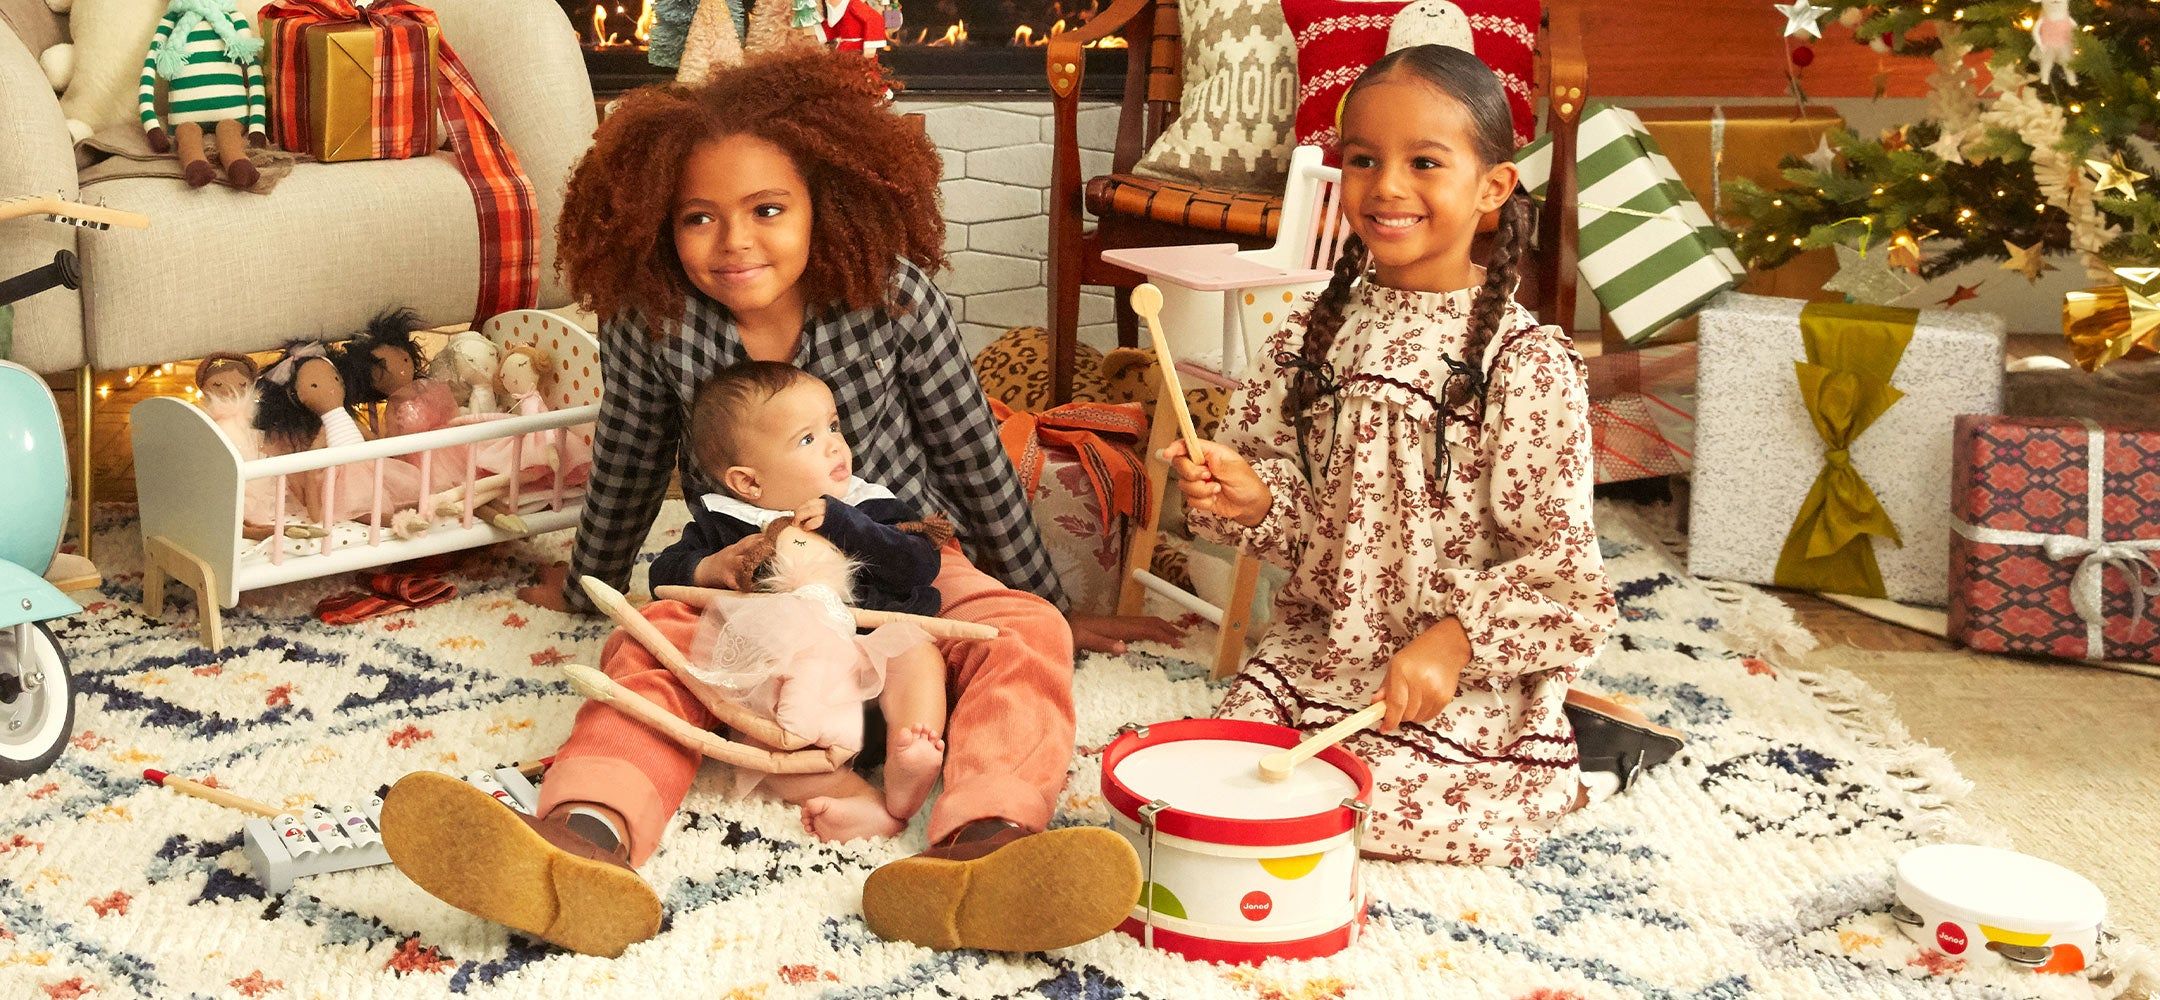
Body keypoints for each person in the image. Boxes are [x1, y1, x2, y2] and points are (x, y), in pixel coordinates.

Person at [377, 48, 1164, 959]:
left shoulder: (895, 297)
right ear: (656, 224)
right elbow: (631, 458)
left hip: (901, 552)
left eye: (767, 211)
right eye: (698, 219)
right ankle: (583, 835)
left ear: (825, 204)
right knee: (649, 647)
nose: (734, 242)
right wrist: (590, 578)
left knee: (1025, 633)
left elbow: (970, 453)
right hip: (753, 572)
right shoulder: (649, 317)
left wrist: (1049, 598)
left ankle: (987, 841)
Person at [1164, 45, 1685, 866]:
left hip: (1461, 661)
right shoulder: (1309, 337)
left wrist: (1454, 641)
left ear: (1493, 188)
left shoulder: (1525, 363)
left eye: (1425, 162)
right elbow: (1310, 530)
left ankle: (1593, 750)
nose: (1388, 187)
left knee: (1389, 814)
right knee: (1239, 780)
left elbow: (1565, 572)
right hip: (1330, 645)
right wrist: (1250, 497)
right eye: (1364, 160)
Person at [650, 360, 955, 841]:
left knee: (918, 652)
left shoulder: (865, 505)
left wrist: (848, 525)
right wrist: (712, 566)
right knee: (755, 736)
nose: (837, 443)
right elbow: (662, 574)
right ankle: (860, 798)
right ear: (748, 483)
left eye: (833, 426)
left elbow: (919, 565)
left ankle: (910, 748)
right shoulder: (728, 524)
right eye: (808, 439)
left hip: (870, 669)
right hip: (792, 701)